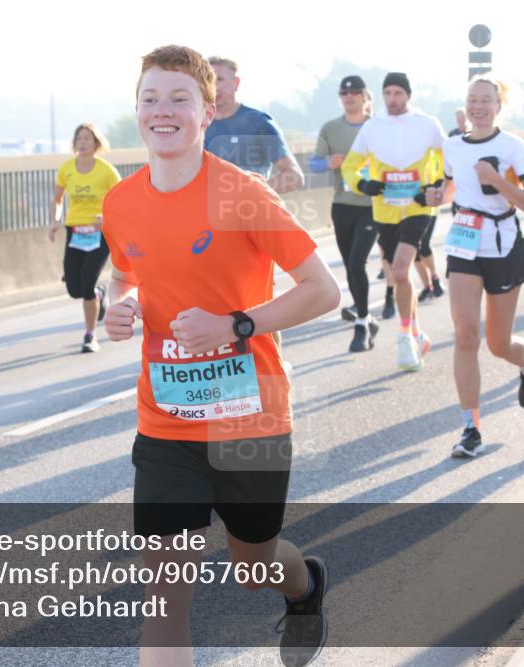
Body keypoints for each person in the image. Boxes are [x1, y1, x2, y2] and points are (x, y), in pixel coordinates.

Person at [101, 45, 340, 667]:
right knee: (165, 597)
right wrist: (118, 306)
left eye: (179, 98)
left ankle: (304, 585)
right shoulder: (121, 202)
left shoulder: (243, 195)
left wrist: (236, 324)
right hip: (165, 422)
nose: (163, 110)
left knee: (255, 566)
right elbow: (125, 273)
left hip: (250, 421)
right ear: (136, 111)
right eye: (150, 98)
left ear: (208, 112)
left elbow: (322, 290)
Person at [432, 76, 524, 458]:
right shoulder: (451, 146)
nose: (478, 106)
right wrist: (435, 195)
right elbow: (450, 189)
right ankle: (470, 428)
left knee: (499, 344)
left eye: (486, 100)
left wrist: (497, 180)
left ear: (499, 106)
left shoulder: (513, 146)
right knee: (465, 334)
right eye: (472, 99)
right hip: (465, 242)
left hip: (504, 244)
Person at [342, 72, 446, 371]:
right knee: (400, 276)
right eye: (387, 93)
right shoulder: (373, 127)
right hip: (384, 212)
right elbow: (351, 167)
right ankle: (416, 333)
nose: (392, 99)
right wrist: (364, 185)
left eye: (398, 93)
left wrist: (435, 185)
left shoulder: (427, 124)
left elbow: (447, 159)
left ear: (408, 95)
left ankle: (403, 338)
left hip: (417, 208)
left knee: (400, 269)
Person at [310, 75, 380, 352]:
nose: (349, 96)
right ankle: (367, 317)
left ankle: (362, 322)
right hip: (342, 205)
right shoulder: (331, 128)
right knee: (351, 267)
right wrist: (328, 162)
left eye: (354, 92)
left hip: (372, 207)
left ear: (364, 96)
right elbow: (314, 165)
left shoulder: (377, 128)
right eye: (344, 92)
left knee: (356, 264)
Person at [47, 123, 121, 352]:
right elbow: (58, 199)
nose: (82, 142)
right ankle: (100, 293)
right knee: (74, 289)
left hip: (100, 233)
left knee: (87, 284)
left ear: (96, 143)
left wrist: (106, 216)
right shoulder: (66, 169)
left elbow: (122, 200)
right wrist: (54, 221)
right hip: (75, 232)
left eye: (87, 138)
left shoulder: (106, 170)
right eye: (79, 138)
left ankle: (90, 336)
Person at [204, 56, 304, 194]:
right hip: (207, 212)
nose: (214, 87)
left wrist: (252, 193)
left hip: (251, 211)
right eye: (208, 81)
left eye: (219, 80)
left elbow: (294, 176)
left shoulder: (260, 123)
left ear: (236, 83)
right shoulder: (196, 125)